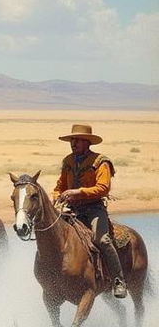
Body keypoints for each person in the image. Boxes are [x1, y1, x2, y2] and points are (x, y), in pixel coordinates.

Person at [52, 123, 127, 298]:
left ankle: (118, 281)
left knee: (102, 240)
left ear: (87, 142)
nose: (73, 143)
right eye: (72, 140)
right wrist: (57, 198)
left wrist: (79, 192)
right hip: (71, 208)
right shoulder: (68, 161)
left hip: (93, 208)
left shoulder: (101, 162)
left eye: (77, 140)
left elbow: (103, 188)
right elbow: (60, 186)